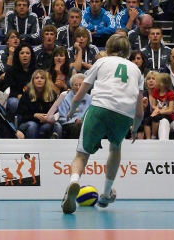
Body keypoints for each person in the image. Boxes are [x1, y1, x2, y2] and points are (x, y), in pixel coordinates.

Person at [61, 34, 144, 214]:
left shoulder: (101, 62)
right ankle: (106, 194)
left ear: (108, 48)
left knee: (81, 154)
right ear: (127, 51)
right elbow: (139, 111)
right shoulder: (136, 70)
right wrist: (135, 129)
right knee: (115, 149)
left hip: (99, 109)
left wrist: (71, 110)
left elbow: (81, 93)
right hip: (124, 114)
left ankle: (74, 181)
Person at [17, 69, 62, 139]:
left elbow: (55, 112)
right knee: (33, 125)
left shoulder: (52, 94)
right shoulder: (27, 94)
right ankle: (32, 149)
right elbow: (22, 116)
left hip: (44, 124)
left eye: (42, 78)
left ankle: (54, 148)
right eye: (37, 78)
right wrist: (35, 115)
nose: (39, 80)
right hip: (28, 123)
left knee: (57, 125)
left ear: (45, 81)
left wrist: (51, 119)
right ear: (33, 81)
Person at [2, 42, 36, 116]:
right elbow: (6, 88)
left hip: (33, 97)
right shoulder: (11, 71)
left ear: (31, 55)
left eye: (27, 53)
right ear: (18, 55)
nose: (25, 55)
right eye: (22, 53)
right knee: (14, 102)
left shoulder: (36, 71)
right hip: (16, 98)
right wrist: (17, 95)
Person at [58, 73, 91, 138]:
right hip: (70, 124)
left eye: (81, 85)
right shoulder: (65, 98)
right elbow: (61, 118)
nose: (78, 87)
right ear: (72, 86)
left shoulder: (90, 98)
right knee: (77, 127)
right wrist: (75, 120)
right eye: (75, 85)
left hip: (86, 123)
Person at [148, 73, 174, 139]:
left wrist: (159, 111)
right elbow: (153, 105)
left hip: (167, 115)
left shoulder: (170, 94)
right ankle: (150, 137)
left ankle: (154, 136)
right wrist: (157, 109)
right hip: (158, 112)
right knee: (147, 120)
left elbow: (170, 110)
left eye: (157, 81)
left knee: (157, 118)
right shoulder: (156, 91)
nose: (155, 83)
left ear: (162, 84)